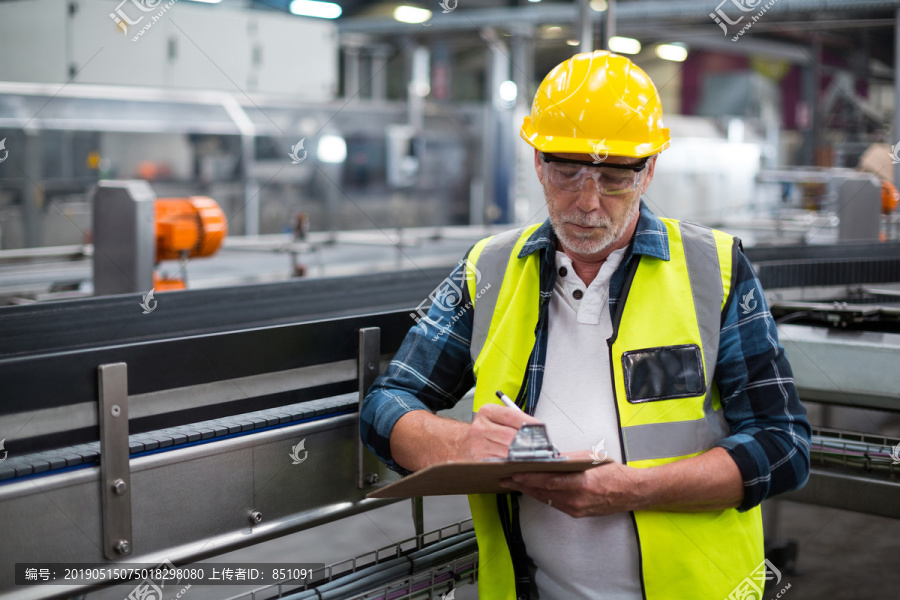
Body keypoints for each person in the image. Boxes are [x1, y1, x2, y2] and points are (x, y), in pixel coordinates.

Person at [360, 50, 811, 600]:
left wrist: (634, 489)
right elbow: (387, 404)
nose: (587, 202)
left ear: (649, 171)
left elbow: (784, 445)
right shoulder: (490, 268)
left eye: (614, 177)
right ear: (536, 162)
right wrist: (458, 444)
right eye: (566, 171)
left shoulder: (713, 269)